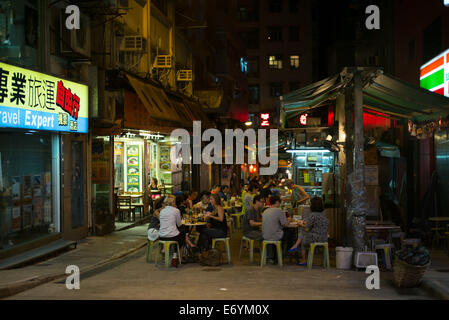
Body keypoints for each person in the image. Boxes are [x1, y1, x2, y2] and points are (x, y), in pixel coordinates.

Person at [288, 197, 329, 266]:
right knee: (303, 233)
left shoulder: (313, 215)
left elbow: (307, 227)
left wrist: (300, 223)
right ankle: (295, 246)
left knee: (302, 235)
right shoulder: (324, 214)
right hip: (324, 237)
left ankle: (303, 258)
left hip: (315, 238)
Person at [262, 195, 294, 263]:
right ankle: (288, 251)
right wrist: (289, 219)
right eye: (279, 202)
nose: (280, 204)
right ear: (277, 202)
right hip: (274, 236)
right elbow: (285, 224)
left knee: (282, 233)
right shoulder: (279, 210)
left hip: (265, 235)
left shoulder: (265, 211)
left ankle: (276, 256)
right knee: (290, 233)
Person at [158, 195, 186, 262]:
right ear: (173, 202)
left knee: (179, 234)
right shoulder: (176, 210)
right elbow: (179, 224)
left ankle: (171, 253)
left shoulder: (162, 211)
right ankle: (177, 256)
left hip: (161, 236)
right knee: (183, 234)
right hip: (172, 236)